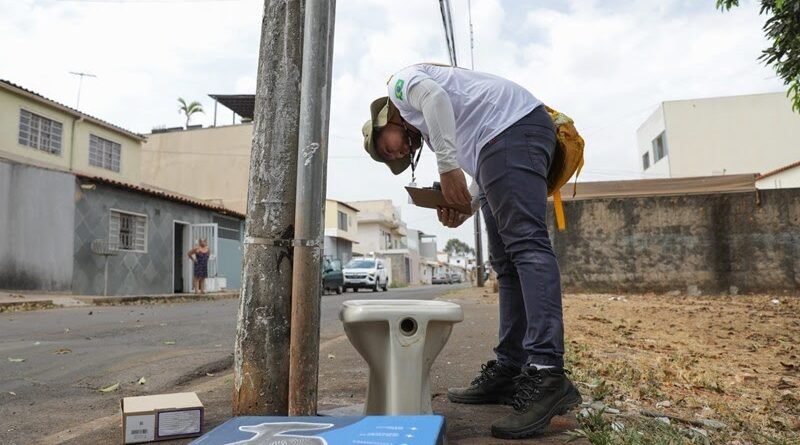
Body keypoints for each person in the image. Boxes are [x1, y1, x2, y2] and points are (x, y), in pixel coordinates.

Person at [361, 63, 581, 439]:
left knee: (527, 246)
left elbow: (436, 97)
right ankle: (511, 368)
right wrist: (466, 206)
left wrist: (447, 168)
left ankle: (547, 374)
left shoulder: (401, 85)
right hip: (498, 143)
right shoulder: (436, 132)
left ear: (386, 119)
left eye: (387, 147)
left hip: (513, 129)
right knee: (506, 264)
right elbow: (483, 170)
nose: (397, 152)